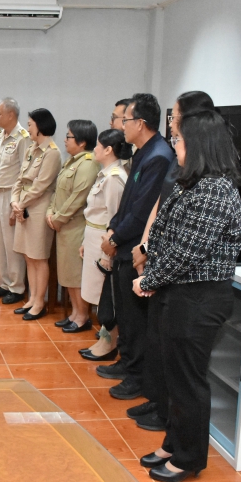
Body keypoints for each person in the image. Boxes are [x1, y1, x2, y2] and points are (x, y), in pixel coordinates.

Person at [134, 109, 241, 482]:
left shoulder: (215, 190)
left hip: (199, 298)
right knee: (174, 379)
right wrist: (153, 269)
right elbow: (163, 231)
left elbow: (188, 251)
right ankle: (173, 443)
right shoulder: (192, 182)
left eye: (178, 139)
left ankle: (188, 458)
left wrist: (149, 279)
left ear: (198, 144)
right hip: (179, 293)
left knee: (188, 382)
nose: (174, 144)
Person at [126, 91, 218, 432]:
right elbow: (160, 206)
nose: (170, 121)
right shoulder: (179, 160)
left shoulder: (206, 177)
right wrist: (145, 245)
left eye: (175, 115)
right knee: (157, 341)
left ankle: (169, 420)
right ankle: (157, 402)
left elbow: (187, 245)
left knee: (179, 362)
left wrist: (149, 260)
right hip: (158, 261)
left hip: (184, 280)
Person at [99, 93, 173, 401]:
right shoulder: (143, 152)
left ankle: (136, 376)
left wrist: (116, 238)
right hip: (124, 242)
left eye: (125, 120)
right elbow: (126, 202)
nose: (121, 126)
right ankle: (126, 361)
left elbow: (143, 210)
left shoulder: (159, 156)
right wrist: (113, 228)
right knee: (126, 315)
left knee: (135, 317)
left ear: (140, 123)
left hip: (136, 249)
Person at [77, 129, 130, 360]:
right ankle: (103, 338)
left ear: (108, 150)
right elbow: (93, 213)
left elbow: (114, 218)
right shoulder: (105, 174)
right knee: (96, 293)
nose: (95, 149)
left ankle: (109, 342)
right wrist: (84, 241)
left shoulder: (115, 178)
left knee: (105, 295)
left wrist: (108, 254)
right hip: (93, 237)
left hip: (103, 243)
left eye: (98, 145)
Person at [47, 120, 100, 333]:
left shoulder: (88, 164)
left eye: (69, 136)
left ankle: (82, 316)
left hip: (75, 226)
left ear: (82, 141)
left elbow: (77, 198)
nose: (65, 140)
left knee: (76, 276)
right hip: (64, 226)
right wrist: (51, 212)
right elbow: (58, 193)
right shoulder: (71, 162)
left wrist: (57, 218)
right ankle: (75, 314)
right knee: (67, 273)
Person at [10, 108, 62, 320]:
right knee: (27, 256)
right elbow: (20, 178)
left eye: (30, 124)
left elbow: (40, 186)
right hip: (23, 206)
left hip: (38, 209)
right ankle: (32, 298)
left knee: (38, 257)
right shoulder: (32, 148)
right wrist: (14, 202)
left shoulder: (52, 153)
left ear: (40, 126)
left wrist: (20, 205)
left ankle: (40, 302)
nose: (28, 128)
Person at [0, 98, 31, 305]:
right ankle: (5, 283)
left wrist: (17, 204)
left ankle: (17, 286)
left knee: (12, 244)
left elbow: (25, 173)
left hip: (11, 196)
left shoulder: (22, 138)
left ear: (10, 114)